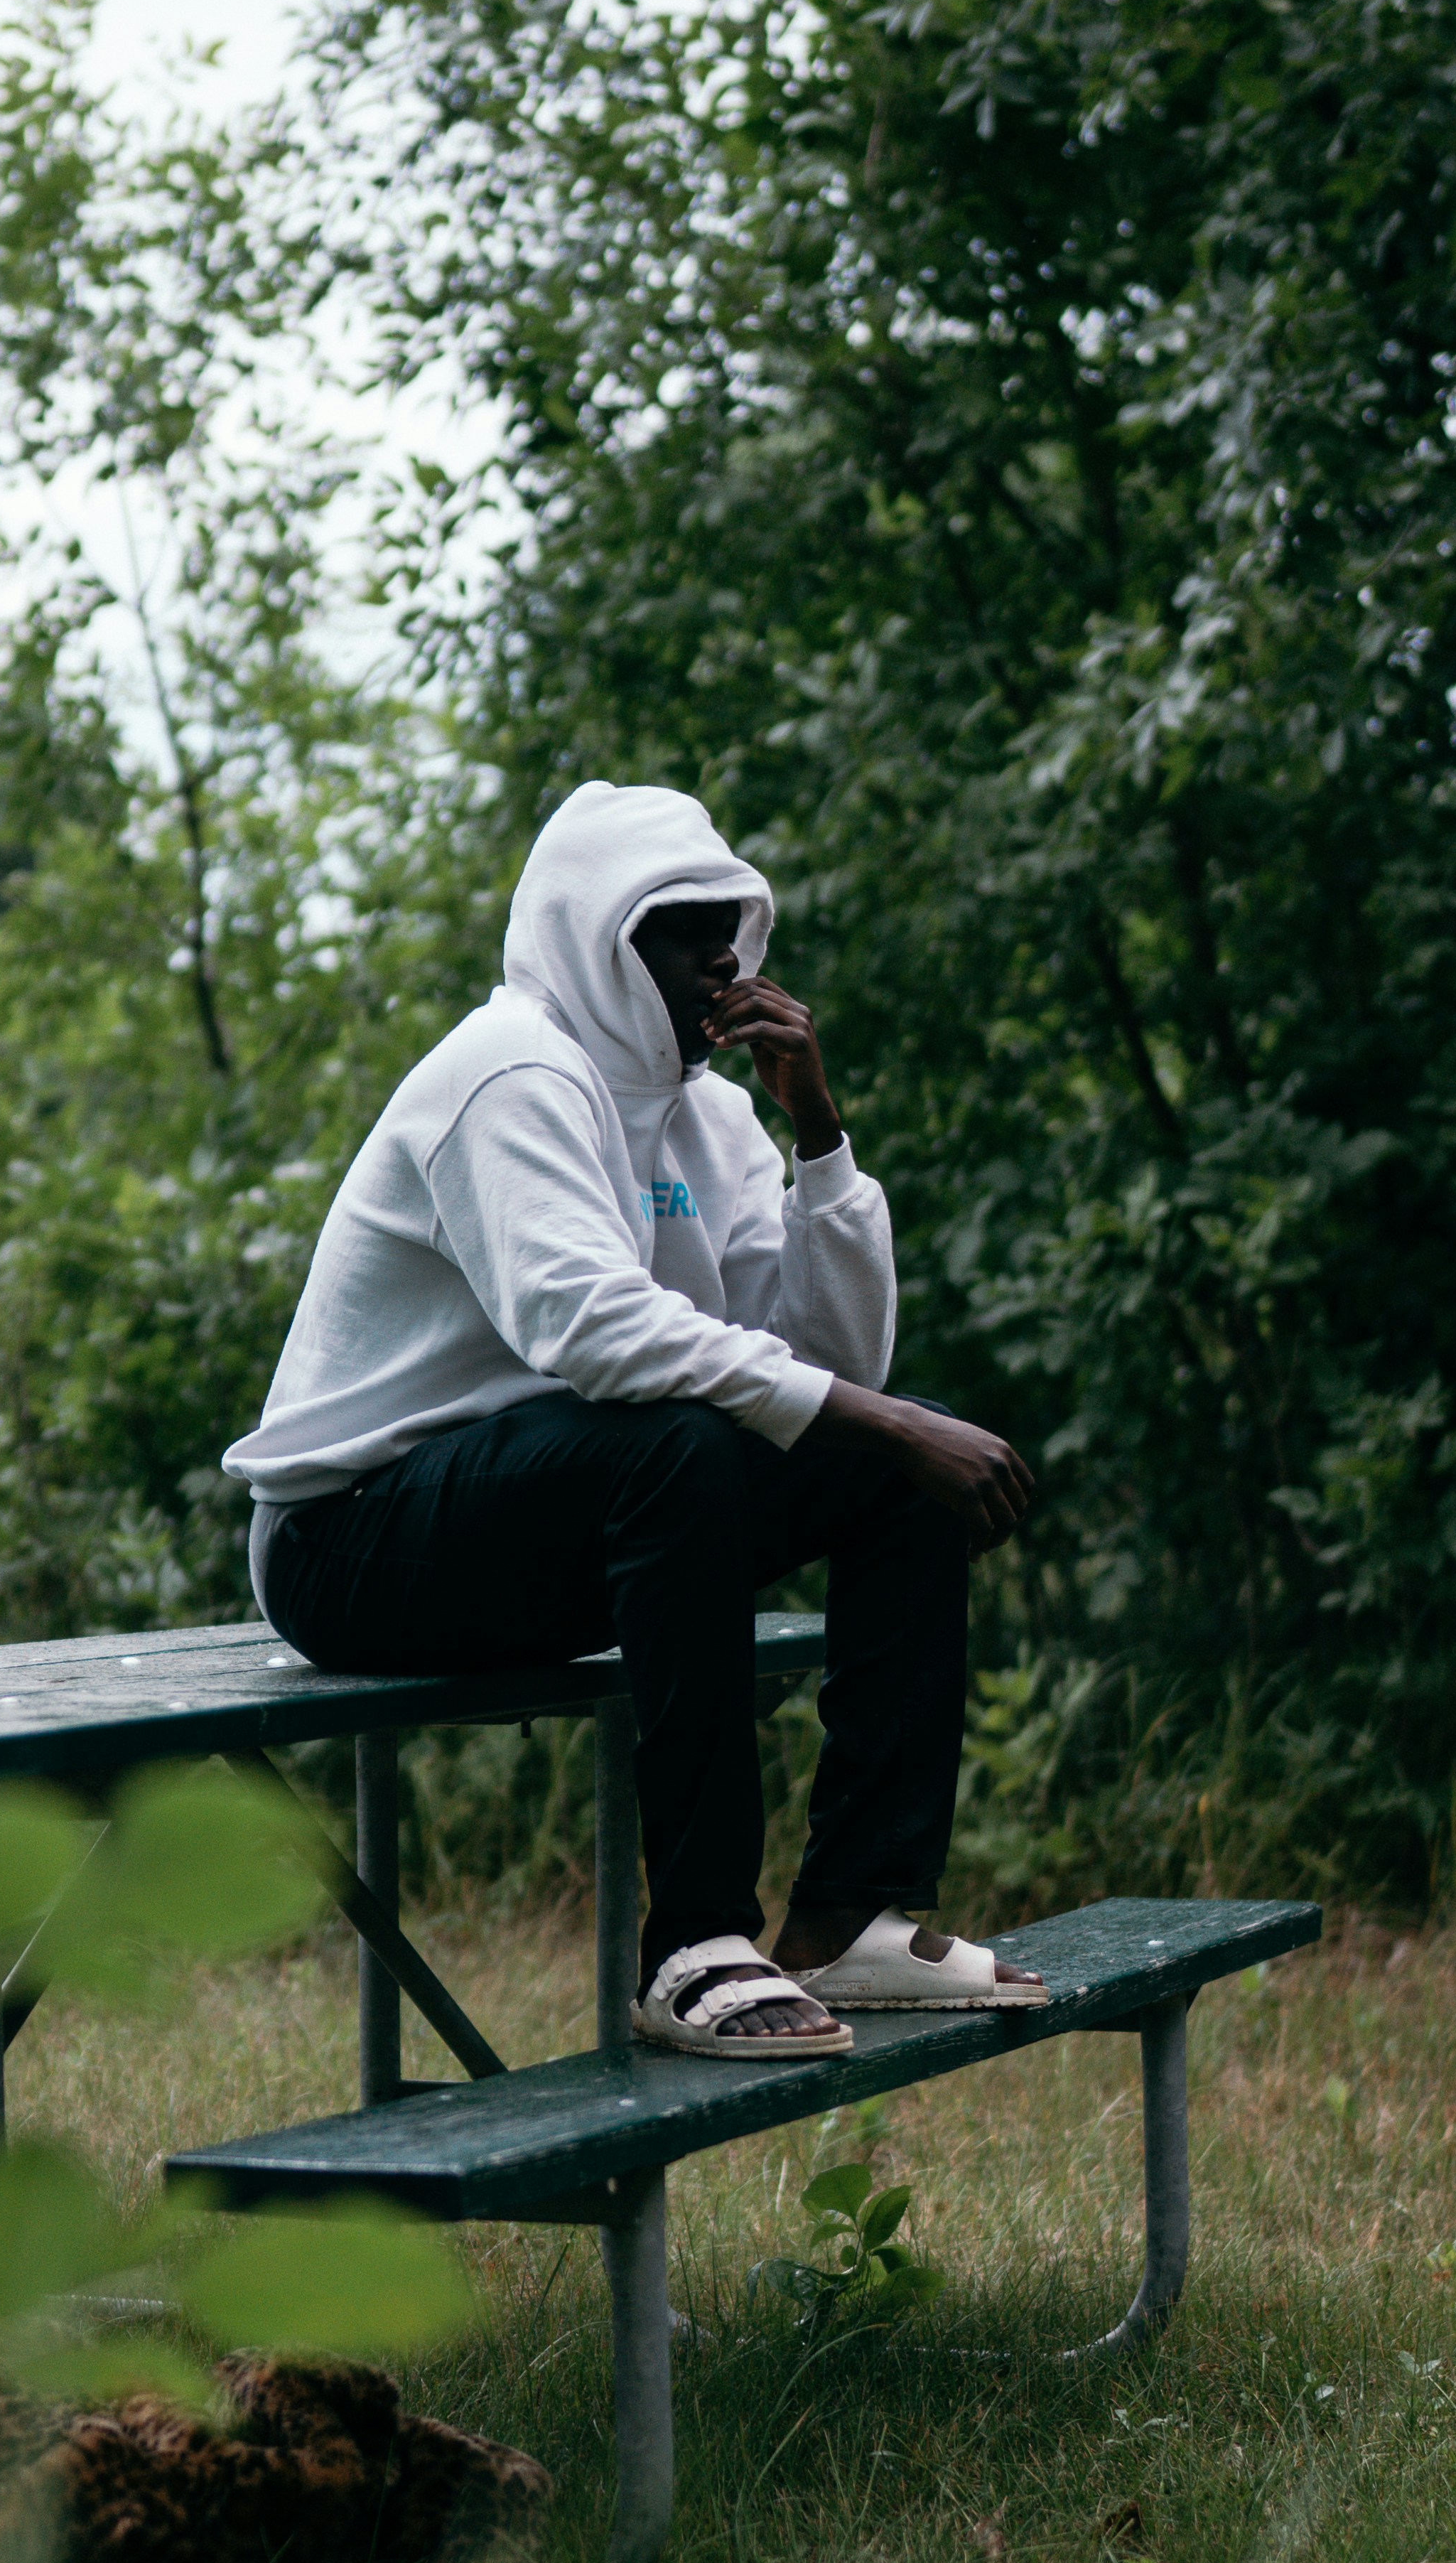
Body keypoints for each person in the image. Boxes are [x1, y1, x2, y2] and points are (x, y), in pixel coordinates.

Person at [225, 780, 1043, 2057]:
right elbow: (590, 1331)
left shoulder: (710, 1116)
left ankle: (846, 1915)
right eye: (677, 928)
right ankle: (697, 1943)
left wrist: (817, 1137)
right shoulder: (509, 1076)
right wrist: (873, 1420)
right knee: (693, 1440)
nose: (719, 956)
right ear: (593, 937)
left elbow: (828, 1362)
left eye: (731, 926)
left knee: (892, 1465)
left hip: (559, 1516)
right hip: (351, 1541)